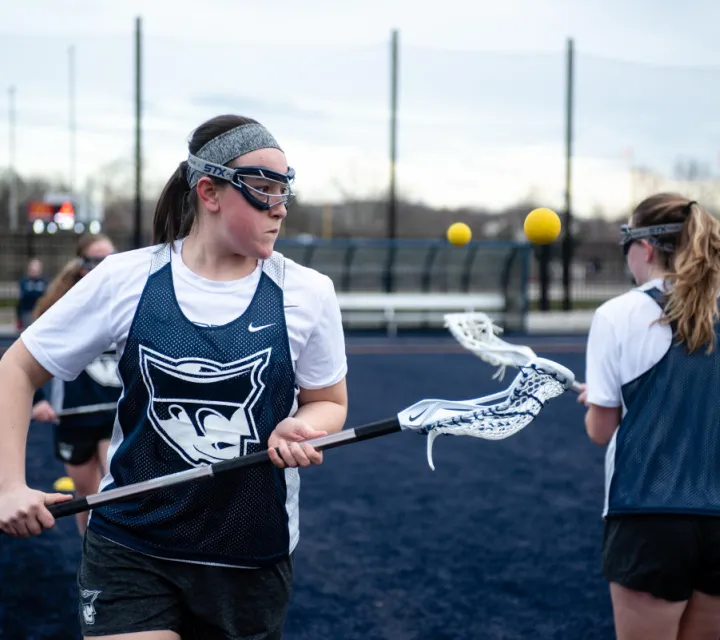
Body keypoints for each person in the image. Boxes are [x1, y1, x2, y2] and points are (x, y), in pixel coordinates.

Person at [0, 114, 349, 640]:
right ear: (208, 192)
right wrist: (8, 486)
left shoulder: (308, 292)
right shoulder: (126, 278)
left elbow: (328, 400)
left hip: (250, 555)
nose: (279, 208)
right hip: (132, 545)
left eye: (284, 192)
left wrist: (304, 426)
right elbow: (17, 367)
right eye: (262, 190)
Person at [578, 193, 720, 640]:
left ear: (645, 248)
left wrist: (604, 402)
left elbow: (601, 431)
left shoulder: (617, 315)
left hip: (647, 516)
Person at [30, 233, 120, 536]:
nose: (106, 267)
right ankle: (88, 553)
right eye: (97, 260)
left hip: (115, 413)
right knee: (85, 497)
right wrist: (38, 400)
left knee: (113, 490)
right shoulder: (59, 307)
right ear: (82, 265)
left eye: (112, 258)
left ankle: (113, 560)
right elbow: (26, 360)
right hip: (75, 417)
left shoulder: (127, 300)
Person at [16, 258, 48, 330]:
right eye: (33, 270)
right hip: (27, 310)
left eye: (37, 270)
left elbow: (45, 295)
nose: (35, 273)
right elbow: (25, 295)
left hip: (39, 310)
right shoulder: (24, 280)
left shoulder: (44, 281)